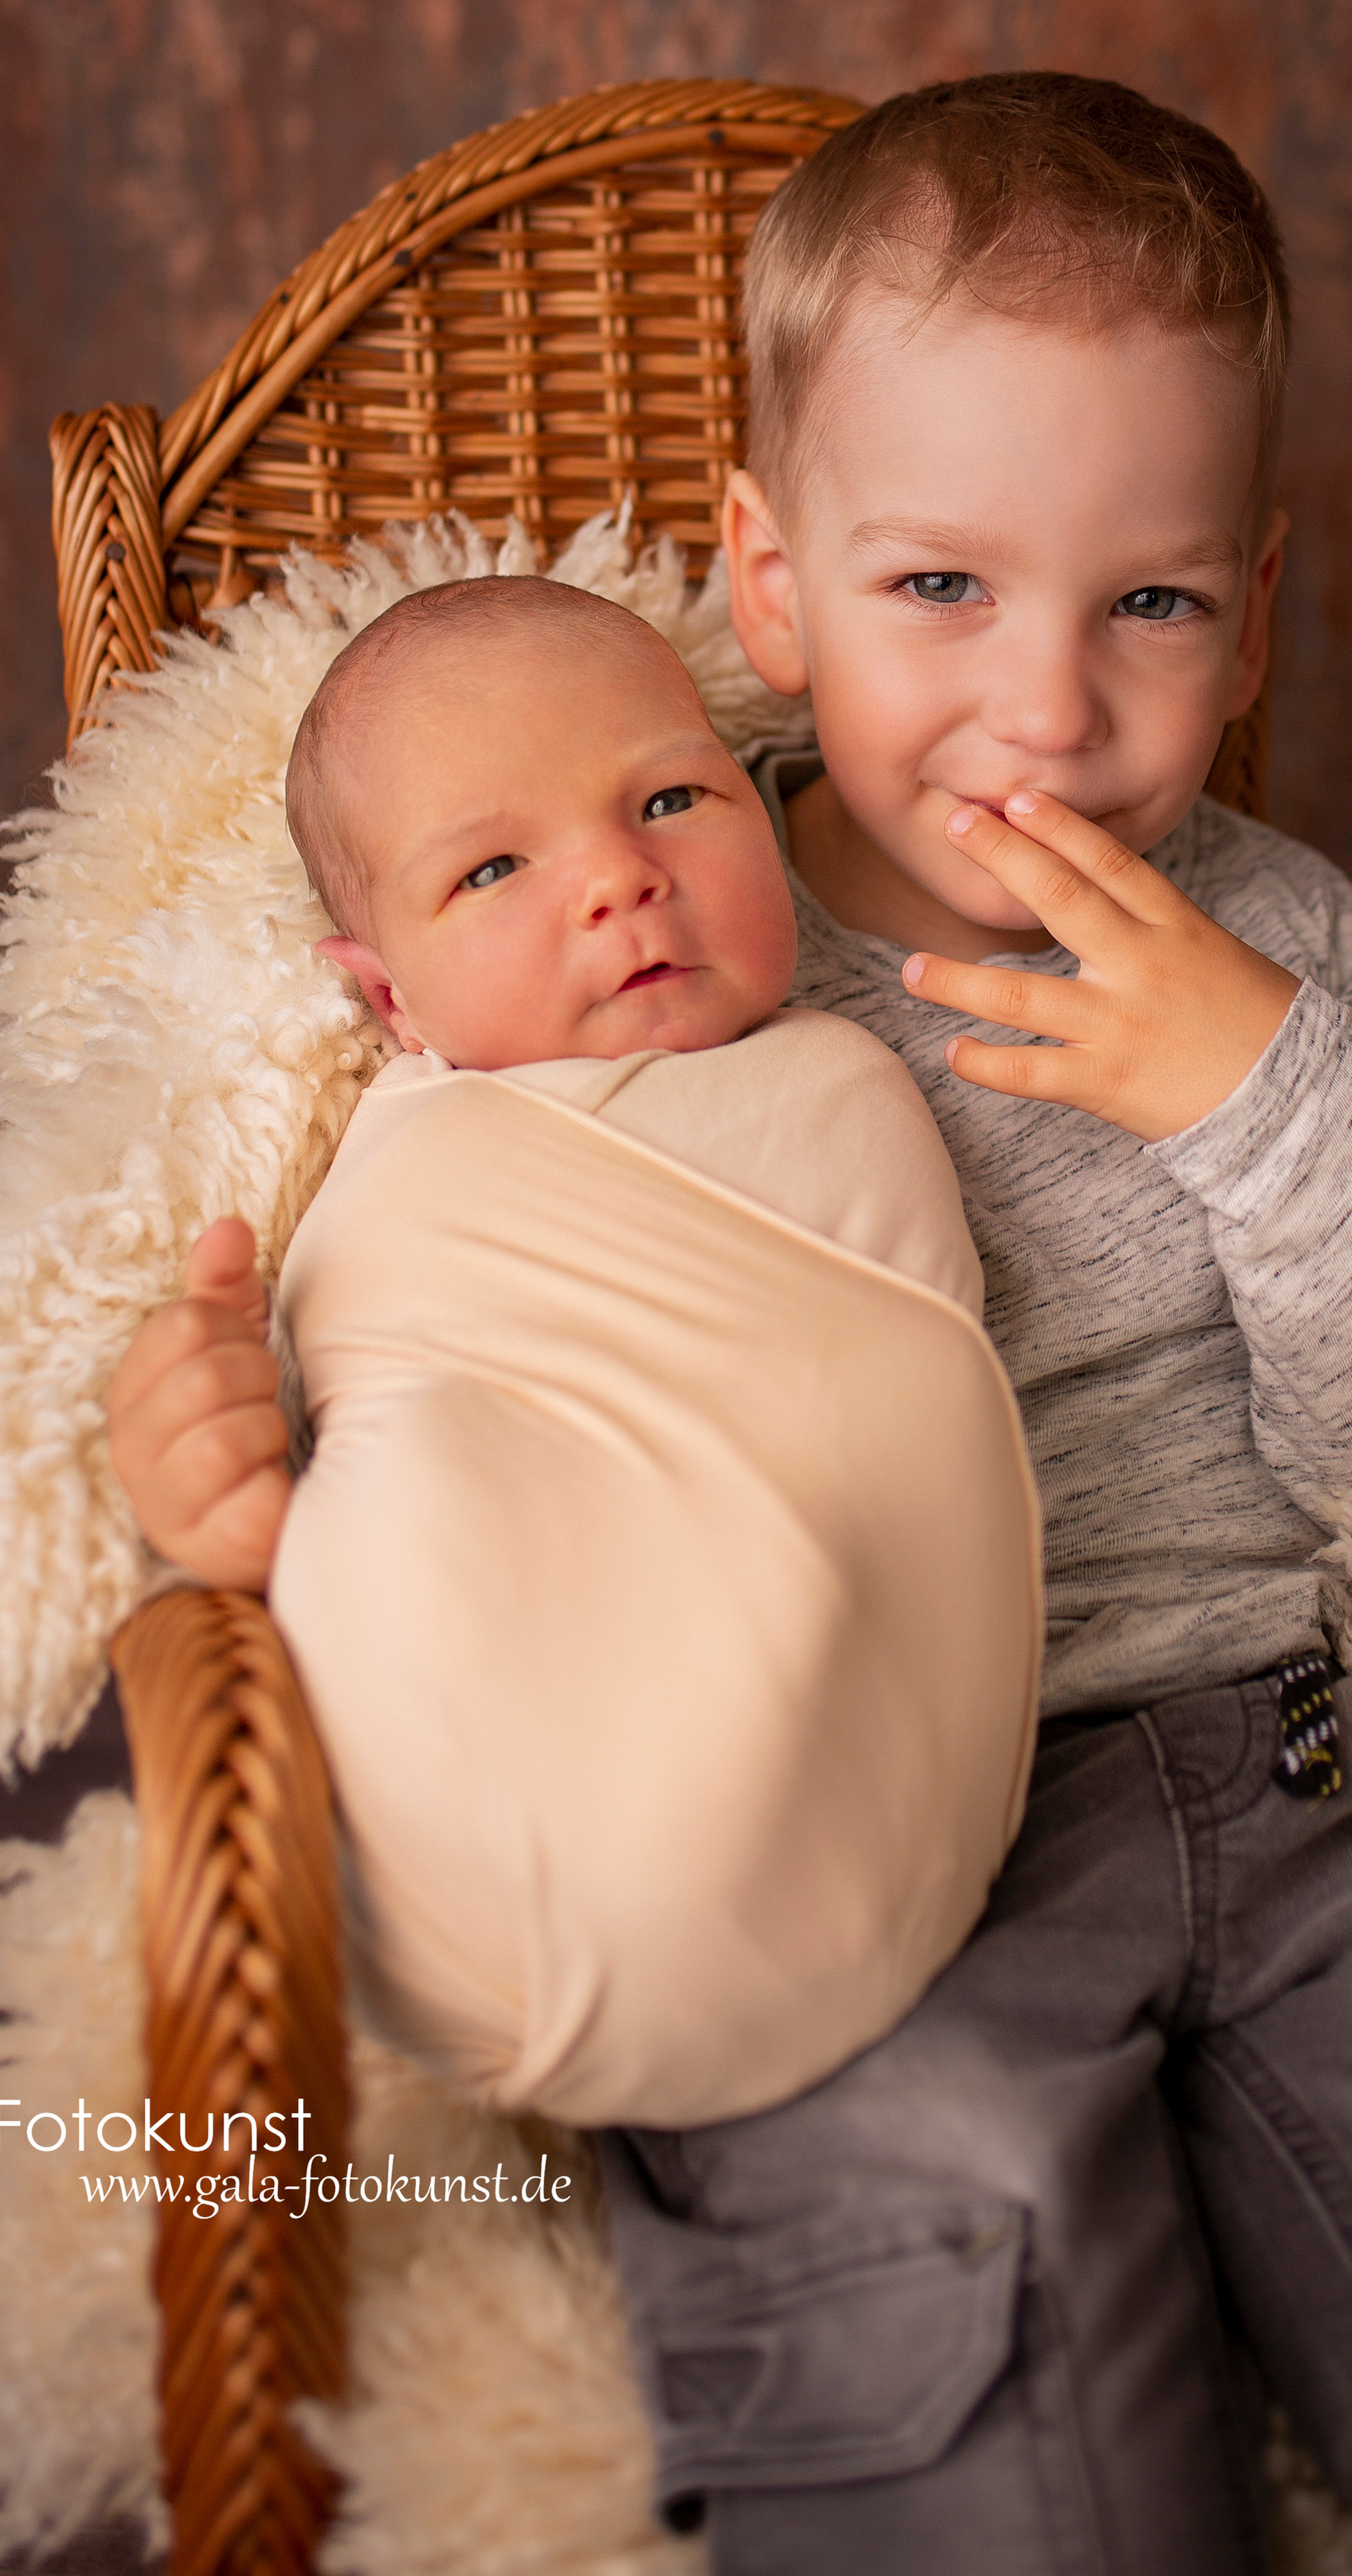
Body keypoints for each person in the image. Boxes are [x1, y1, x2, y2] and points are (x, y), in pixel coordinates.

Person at [111, 76, 1352, 2576]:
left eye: (1157, 606)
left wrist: (1262, 1106)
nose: (1051, 708)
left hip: (1307, 1777)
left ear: (1261, 602)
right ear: (770, 586)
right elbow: (487, 1362)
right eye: (941, 591)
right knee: (943, 2240)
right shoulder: (620, 894)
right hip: (880, 1847)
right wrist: (237, 1484)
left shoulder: (1286, 949)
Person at [125, 570, 1041, 2131]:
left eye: (671, 796)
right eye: (490, 867)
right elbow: (369, 1406)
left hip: (866, 1845)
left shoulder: (852, 1076)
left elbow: (874, 1445)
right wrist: (203, 1491)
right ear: (387, 997)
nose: (617, 878)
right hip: (473, 1844)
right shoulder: (395, 1144)